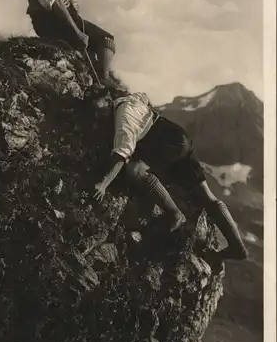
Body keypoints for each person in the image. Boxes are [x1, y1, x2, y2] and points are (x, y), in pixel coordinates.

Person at [92, 91, 249, 262]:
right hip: (179, 137)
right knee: (206, 195)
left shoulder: (123, 118)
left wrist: (103, 183)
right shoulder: (127, 99)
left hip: (166, 144)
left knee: (135, 170)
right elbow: (144, 96)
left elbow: (122, 154)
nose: (99, 116)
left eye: (101, 110)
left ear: (108, 101)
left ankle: (175, 214)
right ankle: (237, 247)